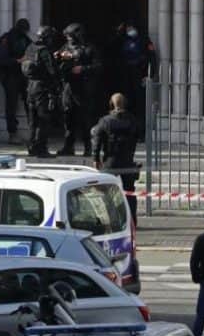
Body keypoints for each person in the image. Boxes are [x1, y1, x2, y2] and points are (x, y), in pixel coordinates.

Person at [91, 93, 140, 224]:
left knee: (105, 191)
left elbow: (97, 140)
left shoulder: (105, 121)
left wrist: (95, 158)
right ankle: (132, 221)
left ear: (112, 104)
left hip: (110, 160)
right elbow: (137, 136)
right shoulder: (132, 120)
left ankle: (109, 220)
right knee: (130, 192)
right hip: (127, 160)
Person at [55, 23, 101, 157]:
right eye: (67, 36)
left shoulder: (89, 48)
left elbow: (98, 66)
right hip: (68, 87)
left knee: (86, 119)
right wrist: (57, 57)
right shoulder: (65, 47)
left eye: (71, 36)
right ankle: (68, 147)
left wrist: (83, 69)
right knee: (68, 118)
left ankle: (88, 147)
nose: (69, 38)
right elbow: (58, 64)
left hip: (84, 88)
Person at [21, 26, 60, 158]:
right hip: (42, 88)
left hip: (30, 87)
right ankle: (41, 149)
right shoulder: (44, 51)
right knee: (44, 119)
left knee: (32, 121)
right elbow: (53, 71)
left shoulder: (30, 48)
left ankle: (32, 147)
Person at [0, 19, 31, 141]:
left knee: (30, 103)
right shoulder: (6, 39)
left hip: (24, 75)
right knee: (11, 105)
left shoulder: (25, 39)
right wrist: (17, 61)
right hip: (10, 76)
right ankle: (12, 133)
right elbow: (1, 59)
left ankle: (34, 131)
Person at [117, 25, 156, 133]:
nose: (130, 31)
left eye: (131, 28)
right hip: (126, 77)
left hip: (140, 76)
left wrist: (149, 75)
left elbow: (152, 57)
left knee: (140, 105)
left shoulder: (144, 40)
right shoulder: (123, 40)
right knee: (127, 104)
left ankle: (141, 132)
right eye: (128, 28)